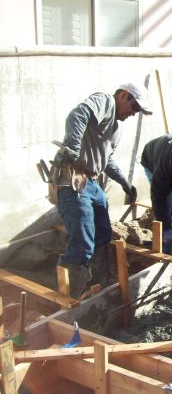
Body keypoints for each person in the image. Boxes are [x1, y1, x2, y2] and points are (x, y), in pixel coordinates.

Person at [52, 82, 152, 298]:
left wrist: (124, 182)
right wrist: (73, 147)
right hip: (74, 180)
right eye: (134, 108)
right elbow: (77, 115)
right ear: (124, 95)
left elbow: (106, 160)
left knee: (103, 235)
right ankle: (69, 299)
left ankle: (98, 286)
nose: (133, 114)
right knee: (82, 244)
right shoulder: (105, 101)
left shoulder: (116, 127)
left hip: (92, 184)